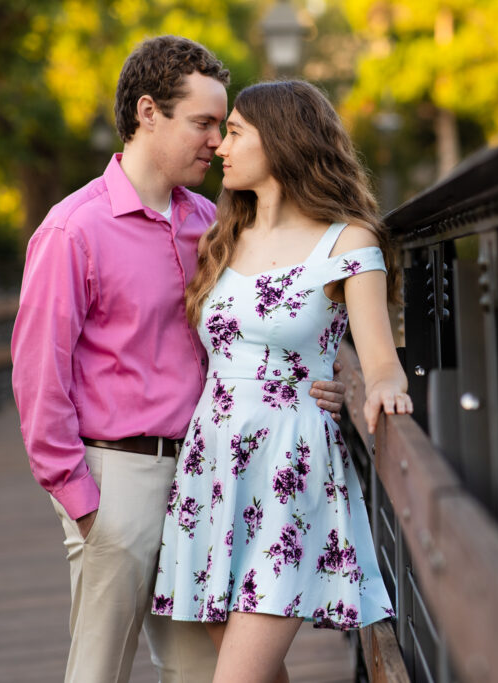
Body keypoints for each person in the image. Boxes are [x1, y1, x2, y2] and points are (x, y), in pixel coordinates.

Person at [10, 37, 348, 683]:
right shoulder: (73, 229)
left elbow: (269, 315)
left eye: (223, 126)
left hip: (207, 477)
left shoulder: (213, 223)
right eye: (203, 123)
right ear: (147, 113)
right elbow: (37, 374)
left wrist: (319, 381)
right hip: (118, 477)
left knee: (200, 670)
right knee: (98, 670)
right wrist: (82, 499)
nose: (217, 141)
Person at [150, 79, 410, 682]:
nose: (220, 147)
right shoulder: (224, 235)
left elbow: (378, 357)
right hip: (213, 468)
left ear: (283, 141)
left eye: (235, 132)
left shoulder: (348, 240)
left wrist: (378, 388)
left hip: (290, 466)